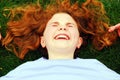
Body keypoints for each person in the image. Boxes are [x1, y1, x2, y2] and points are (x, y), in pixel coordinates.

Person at [0, 0, 120, 80]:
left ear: (79, 41)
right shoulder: (24, 70)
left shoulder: (95, 67)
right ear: (43, 41)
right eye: (54, 25)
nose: (62, 27)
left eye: (70, 25)